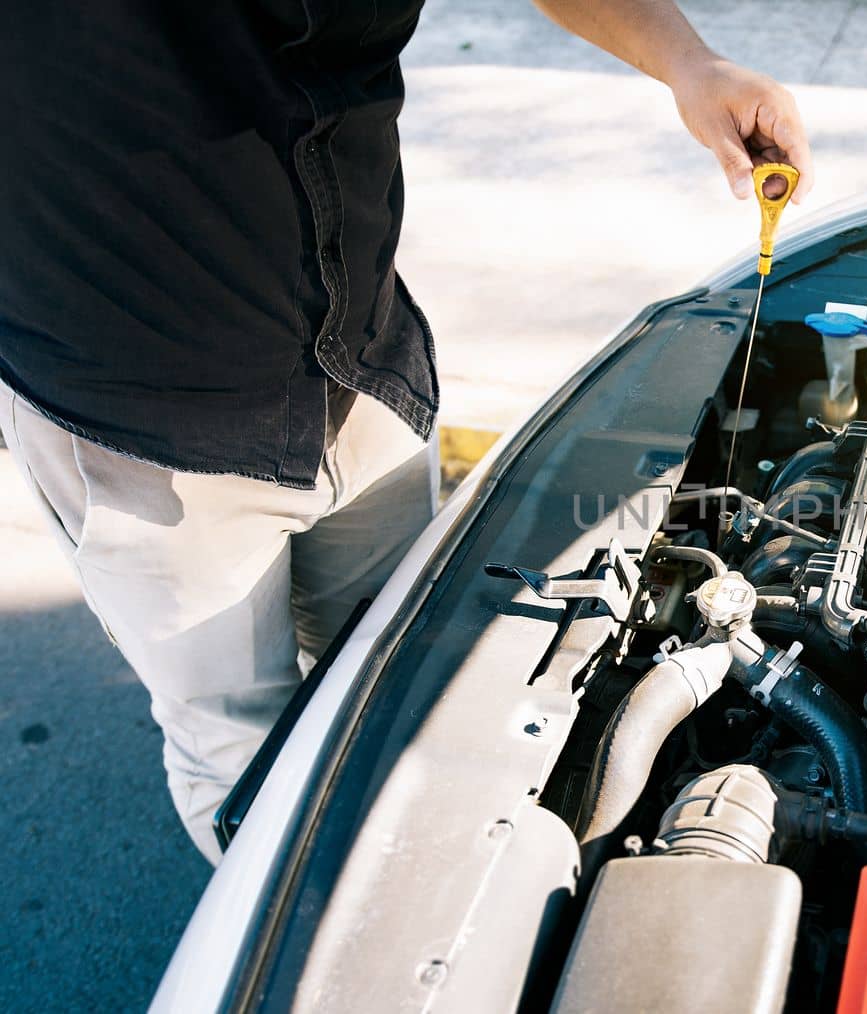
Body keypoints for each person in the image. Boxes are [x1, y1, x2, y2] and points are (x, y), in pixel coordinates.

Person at [0, 0, 812, 864]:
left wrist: (688, 62)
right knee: (244, 756)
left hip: (365, 370)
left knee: (409, 680)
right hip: (142, 431)